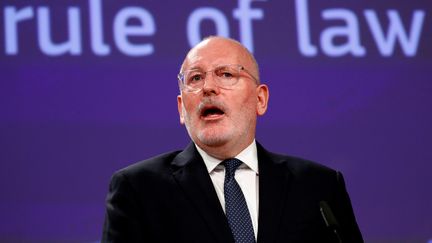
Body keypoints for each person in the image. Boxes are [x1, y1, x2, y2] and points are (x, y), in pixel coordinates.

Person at [102, 36, 363, 243]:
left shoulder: (318, 187)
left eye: (226, 74)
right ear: (182, 108)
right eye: (195, 78)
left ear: (260, 99)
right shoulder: (139, 189)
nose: (208, 87)